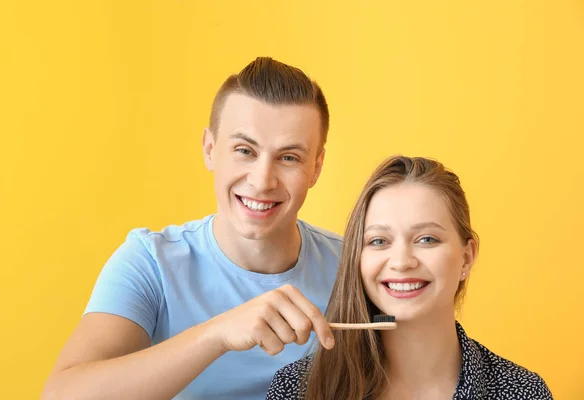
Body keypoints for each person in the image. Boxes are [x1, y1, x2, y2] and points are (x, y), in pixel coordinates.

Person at [41, 57, 342, 400]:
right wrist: (217, 335)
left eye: (289, 157)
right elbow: (62, 395)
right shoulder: (151, 262)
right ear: (210, 149)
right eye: (245, 150)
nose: (262, 181)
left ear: (316, 167)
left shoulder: (354, 268)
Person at [266, 155, 553, 399]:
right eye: (379, 241)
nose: (402, 262)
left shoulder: (523, 391)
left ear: (466, 257)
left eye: (427, 239)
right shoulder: (295, 390)